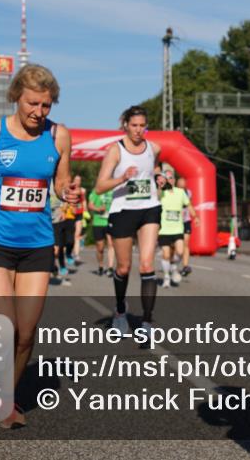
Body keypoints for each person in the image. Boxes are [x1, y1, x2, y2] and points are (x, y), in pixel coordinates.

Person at [0, 64, 80, 429]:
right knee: (4, 327)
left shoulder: (59, 136)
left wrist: (67, 192)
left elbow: (59, 183)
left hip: (38, 244)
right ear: (16, 97)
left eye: (46, 106)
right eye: (32, 104)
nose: (38, 113)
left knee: (26, 334)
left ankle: (4, 401)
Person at [95, 105, 162, 336]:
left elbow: (155, 167)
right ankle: (121, 310)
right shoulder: (116, 150)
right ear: (125, 125)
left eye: (143, 126)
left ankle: (147, 323)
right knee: (123, 268)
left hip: (149, 208)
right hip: (123, 210)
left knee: (147, 264)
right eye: (134, 125)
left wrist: (160, 176)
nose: (138, 130)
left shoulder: (154, 147)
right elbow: (100, 185)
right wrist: (122, 177)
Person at [158, 170, 198, 287]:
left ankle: (174, 268)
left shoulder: (180, 193)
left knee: (180, 252)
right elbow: (157, 195)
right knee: (166, 255)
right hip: (164, 230)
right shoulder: (162, 193)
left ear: (174, 180)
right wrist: (160, 186)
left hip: (177, 229)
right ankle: (166, 277)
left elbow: (189, 205)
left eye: (171, 178)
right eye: (167, 178)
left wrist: (195, 217)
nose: (169, 180)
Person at [87, 183, 113, 276]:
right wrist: (98, 209)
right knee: (100, 247)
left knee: (111, 244)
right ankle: (101, 266)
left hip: (110, 221)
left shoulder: (112, 191)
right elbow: (90, 205)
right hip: (98, 222)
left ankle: (110, 268)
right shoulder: (96, 191)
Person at [175, 175, 197, 277]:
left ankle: (185, 266)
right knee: (175, 245)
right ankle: (174, 262)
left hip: (186, 221)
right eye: (180, 185)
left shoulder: (188, 193)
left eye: (183, 185)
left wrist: (195, 217)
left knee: (186, 243)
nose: (182, 186)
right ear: (177, 185)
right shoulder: (172, 192)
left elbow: (189, 205)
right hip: (174, 222)